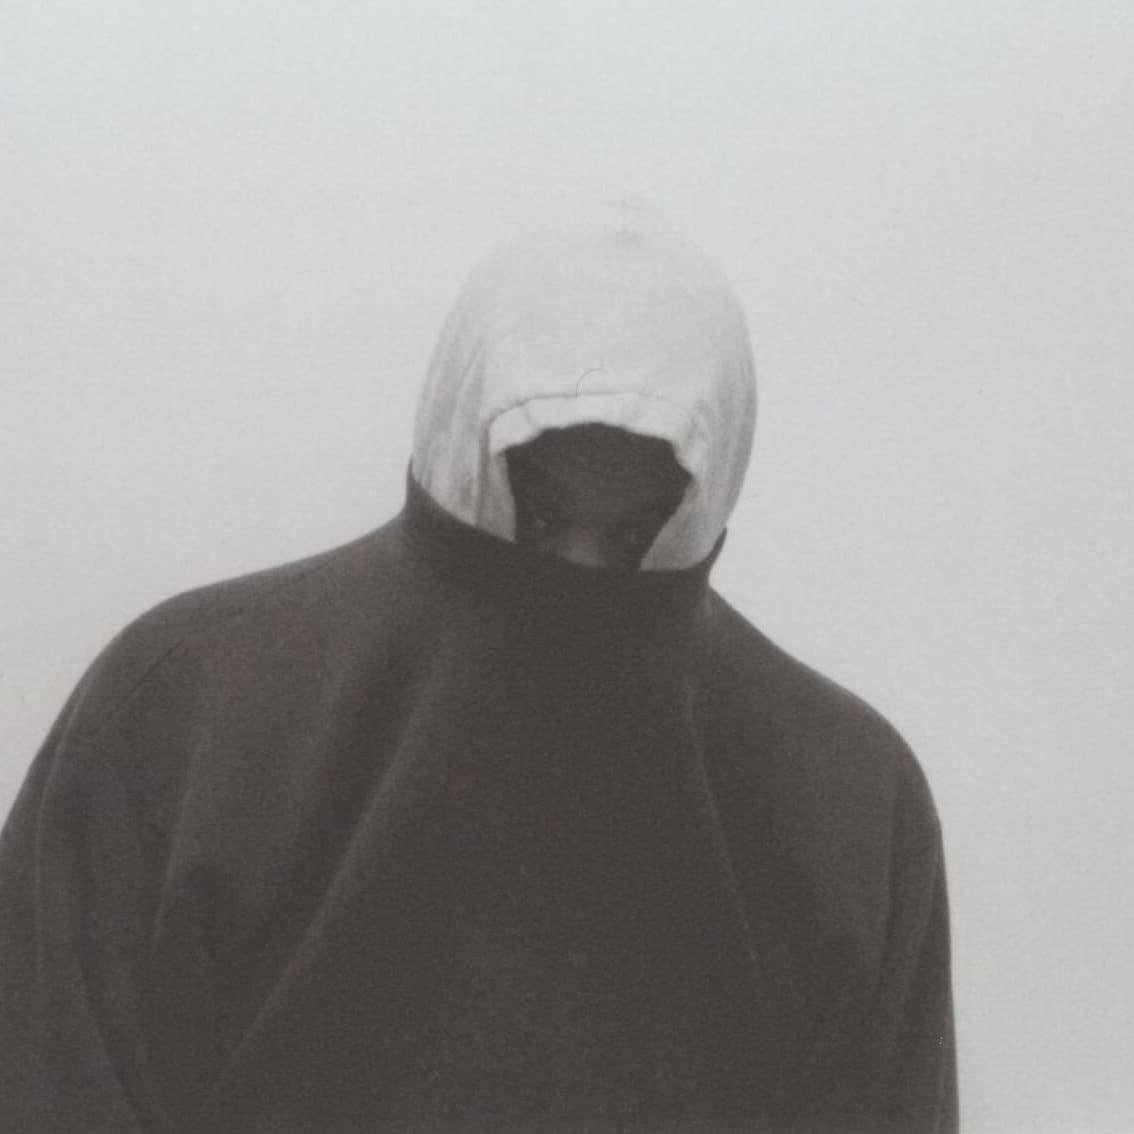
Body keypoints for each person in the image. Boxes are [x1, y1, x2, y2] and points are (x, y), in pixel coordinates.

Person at [0, 205, 957, 1133]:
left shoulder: (848, 804)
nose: (579, 570)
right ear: (463, 434)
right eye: (539, 504)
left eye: (636, 524)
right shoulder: (182, 717)